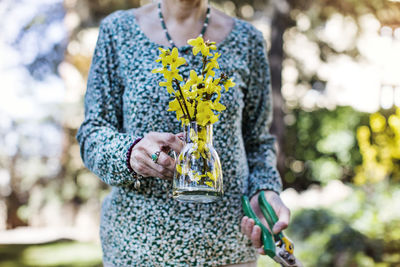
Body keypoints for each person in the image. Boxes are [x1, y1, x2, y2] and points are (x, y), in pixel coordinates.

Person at [76, 0, 291, 266]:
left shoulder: (248, 40)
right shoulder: (117, 31)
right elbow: (92, 133)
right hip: (138, 248)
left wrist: (264, 191)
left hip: (228, 248)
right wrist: (130, 153)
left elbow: (258, 142)